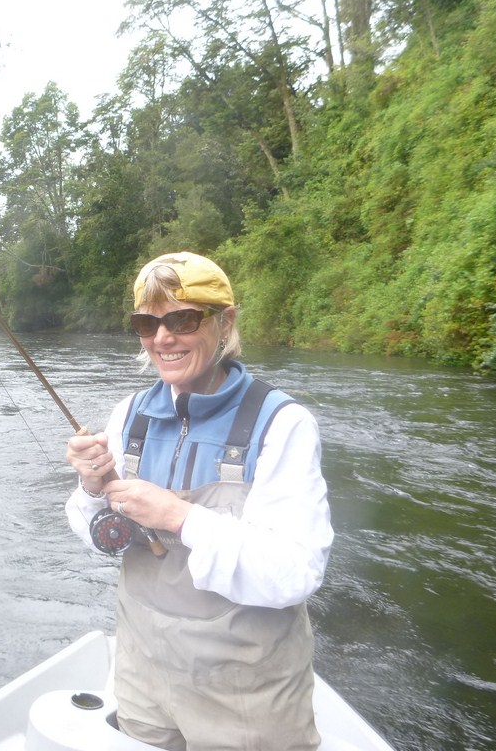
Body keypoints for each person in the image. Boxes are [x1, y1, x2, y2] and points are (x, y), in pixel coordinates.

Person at [65, 251, 333, 751]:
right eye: (147, 322)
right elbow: (104, 536)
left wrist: (180, 517)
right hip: (143, 671)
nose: (162, 338)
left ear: (224, 322)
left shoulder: (283, 424)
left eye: (182, 319)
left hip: (249, 691)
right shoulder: (130, 414)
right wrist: (92, 489)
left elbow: (297, 572)